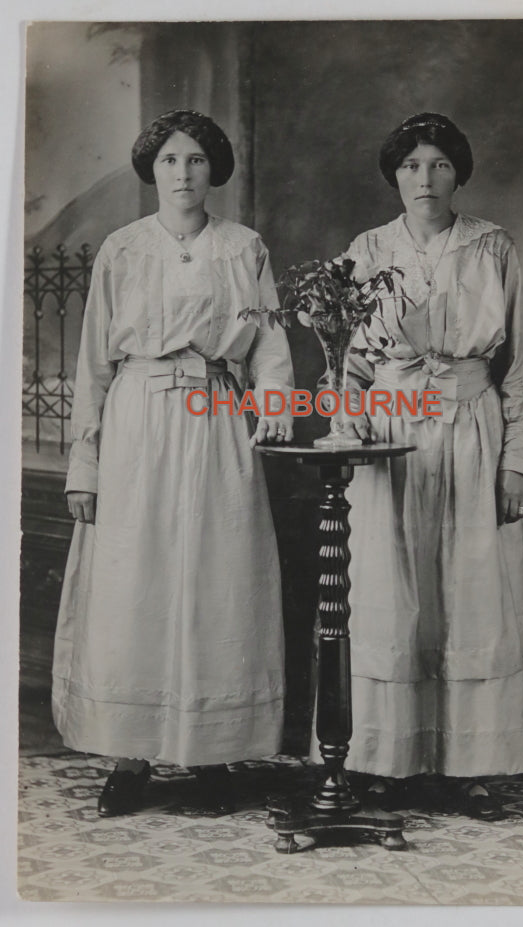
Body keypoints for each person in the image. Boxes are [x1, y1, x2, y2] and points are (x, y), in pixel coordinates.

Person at [52, 109, 294, 816]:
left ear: (213, 169)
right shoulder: (122, 251)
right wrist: (85, 464)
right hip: (137, 419)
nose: (182, 174)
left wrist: (273, 400)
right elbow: (94, 363)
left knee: (218, 576)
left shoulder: (244, 247)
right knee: (139, 577)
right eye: (168, 161)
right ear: (150, 170)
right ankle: (130, 754)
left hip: (216, 413)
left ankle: (211, 750)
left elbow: (270, 346)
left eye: (194, 160)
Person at [337, 113, 523, 819]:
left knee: (469, 589)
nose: (426, 178)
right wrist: (349, 427)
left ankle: (469, 765)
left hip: (471, 430)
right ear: (395, 174)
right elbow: (348, 364)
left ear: (459, 173)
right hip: (390, 438)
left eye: (440, 165)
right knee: (391, 591)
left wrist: (519, 462)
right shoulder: (366, 251)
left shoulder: (491, 247)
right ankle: (383, 759)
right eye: (413, 165)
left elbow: (515, 368)